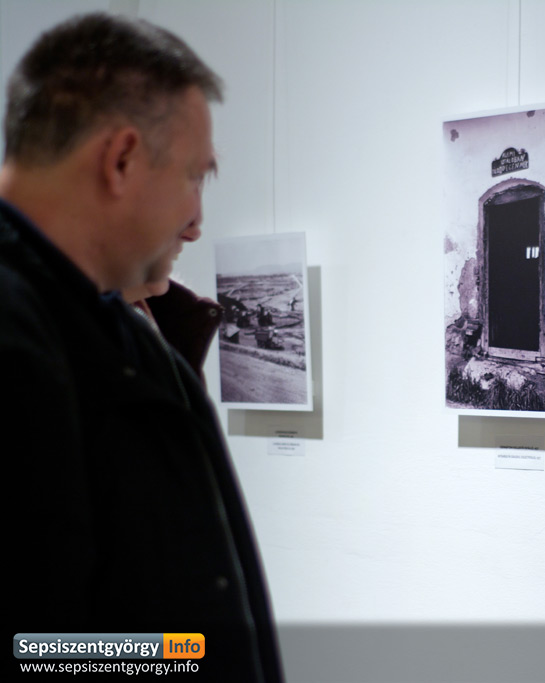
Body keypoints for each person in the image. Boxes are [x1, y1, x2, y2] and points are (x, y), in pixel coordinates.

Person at [0, 13, 283, 682]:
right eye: (192, 176)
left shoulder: (121, 332)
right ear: (121, 160)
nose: (196, 222)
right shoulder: (20, 336)